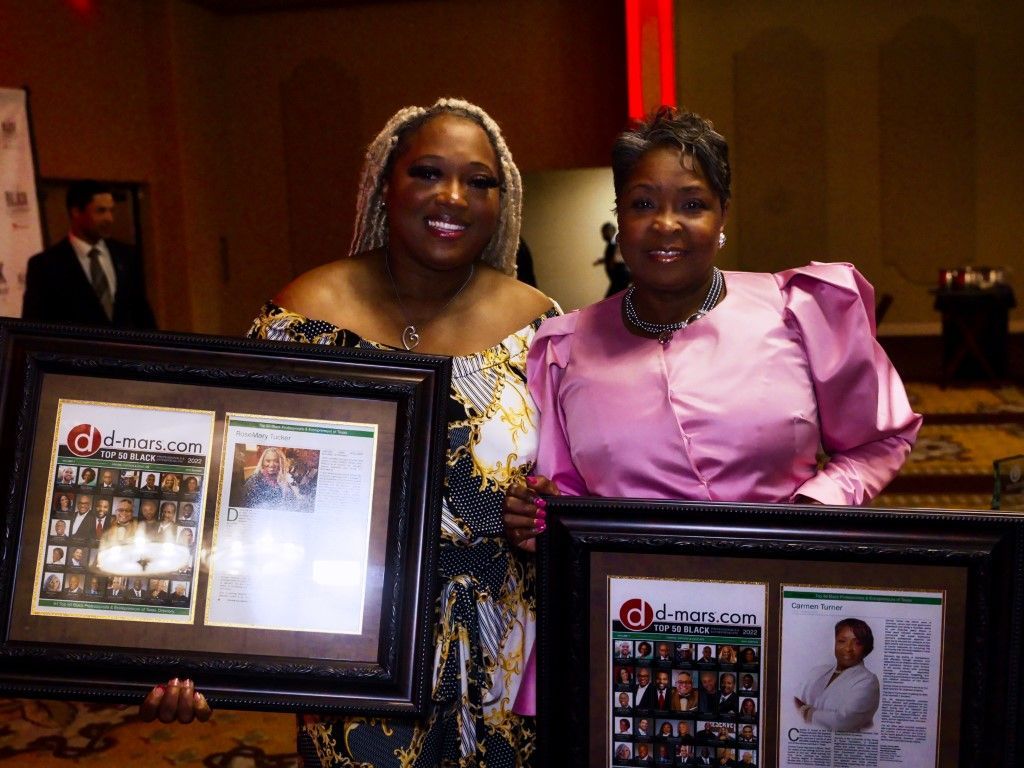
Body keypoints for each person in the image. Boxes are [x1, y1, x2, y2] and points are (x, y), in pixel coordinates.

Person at [141, 99, 556, 764]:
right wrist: (191, 655)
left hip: (507, 653)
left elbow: (571, 485)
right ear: (384, 185)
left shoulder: (540, 328)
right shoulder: (303, 319)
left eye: (480, 181)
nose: (454, 196)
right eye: (428, 172)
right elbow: (240, 503)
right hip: (354, 653)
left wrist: (544, 516)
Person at [504, 105, 920, 522]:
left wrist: (814, 511)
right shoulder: (565, 349)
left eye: (692, 204)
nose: (666, 224)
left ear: (723, 213)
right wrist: (538, 515)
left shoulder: (799, 313)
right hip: (632, 584)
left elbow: (878, 440)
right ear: (620, 218)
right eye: (643, 203)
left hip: (779, 571)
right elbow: (566, 499)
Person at [22, 179, 156, 329]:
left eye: (111, 211)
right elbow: (35, 327)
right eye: (100, 211)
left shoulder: (126, 255)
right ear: (76, 212)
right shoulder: (45, 265)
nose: (109, 219)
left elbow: (142, 313)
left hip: (123, 351)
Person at [794, 618, 880, 731]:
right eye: (842, 641)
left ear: (866, 647)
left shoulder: (868, 681)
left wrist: (804, 710)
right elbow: (793, 702)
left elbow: (844, 722)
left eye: (857, 643)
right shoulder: (817, 672)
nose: (848, 648)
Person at [593, 221, 631, 297]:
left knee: (610, 299)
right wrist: (602, 260)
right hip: (617, 279)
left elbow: (619, 258)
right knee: (614, 300)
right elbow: (613, 256)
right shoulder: (611, 243)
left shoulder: (618, 242)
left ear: (611, 231)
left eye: (604, 232)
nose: (603, 235)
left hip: (621, 278)